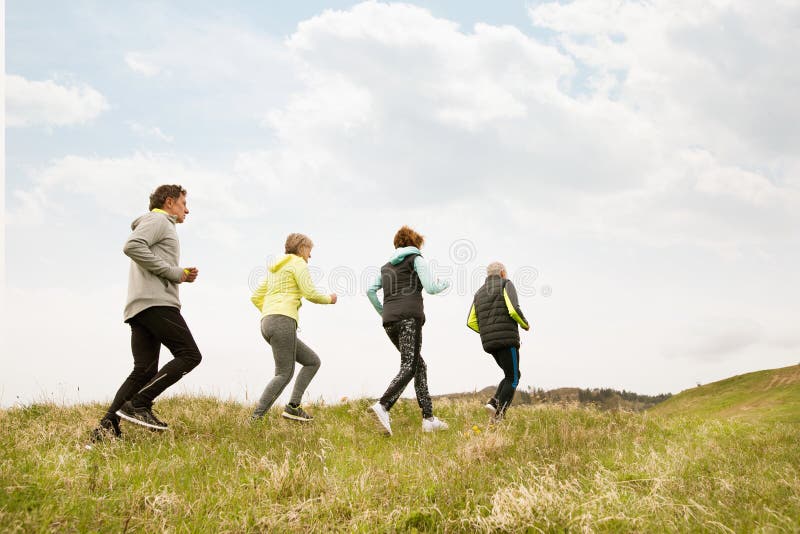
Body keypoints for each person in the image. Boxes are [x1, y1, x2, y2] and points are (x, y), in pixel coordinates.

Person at [91, 184, 202, 441]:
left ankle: (105, 430)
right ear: (169, 202)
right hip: (156, 303)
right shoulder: (159, 220)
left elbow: (145, 252)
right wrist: (175, 273)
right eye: (184, 203)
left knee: (144, 370)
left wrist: (181, 274)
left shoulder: (157, 224)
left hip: (141, 305)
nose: (187, 209)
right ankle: (140, 403)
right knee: (189, 355)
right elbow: (132, 246)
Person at [366, 226, 450, 435]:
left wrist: (384, 311)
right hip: (409, 320)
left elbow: (370, 290)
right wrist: (444, 283)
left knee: (418, 365)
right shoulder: (416, 259)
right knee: (410, 365)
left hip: (389, 322)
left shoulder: (386, 267)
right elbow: (430, 287)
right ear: (415, 243)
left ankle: (429, 418)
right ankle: (383, 405)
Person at [250, 233, 337, 422]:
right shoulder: (298, 263)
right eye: (309, 251)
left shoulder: (275, 269)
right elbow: (310, 293)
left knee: (312, 361)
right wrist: (329, 299)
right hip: (282, 322)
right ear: (302, 248)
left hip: (267, 322)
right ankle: (255, 419)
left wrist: (271, 312)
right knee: (284, 373)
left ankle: (293, 406)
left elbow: (256, 296)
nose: (310, 256)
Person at [467, 261, 530, 421]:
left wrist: (488, 332)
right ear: (502, 273)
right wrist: (525, 324)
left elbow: (471, 321)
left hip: (489, 343)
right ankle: (498, 412)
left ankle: (495, 404)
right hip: (506, 340)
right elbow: (513, 309)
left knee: (511, 375)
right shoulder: (506, 284)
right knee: (513, 377)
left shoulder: (478, 293)